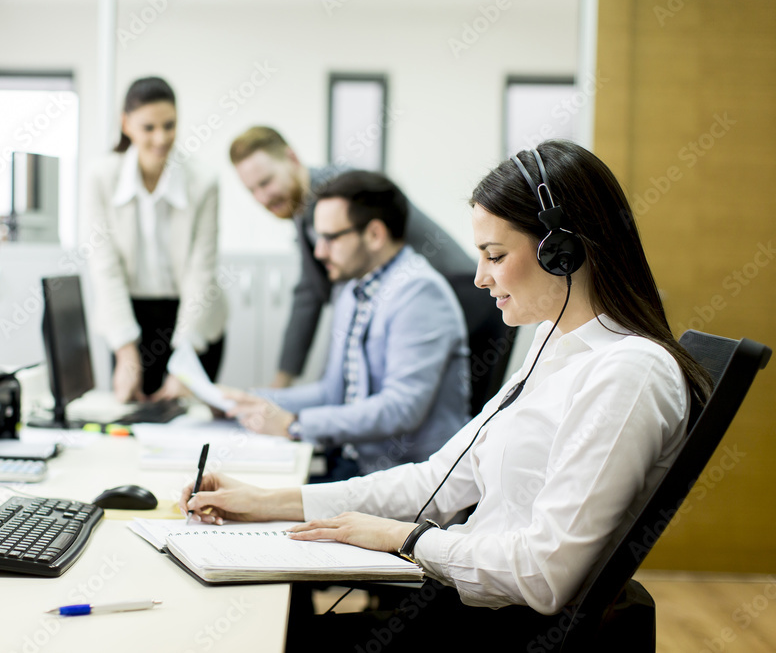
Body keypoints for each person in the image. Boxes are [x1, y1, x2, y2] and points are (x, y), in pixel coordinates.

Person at [183, 140, 713, 648]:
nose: (480, 278)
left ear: (561, 252)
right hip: (457, 604)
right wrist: (265, 503)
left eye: (495, 255)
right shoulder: (554, 348)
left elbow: (545, 576)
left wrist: (403, 539)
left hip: (499, 630)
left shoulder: (629, 373)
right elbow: (435, 481)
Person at [223, 170, 470, 480]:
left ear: (375, 235)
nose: (319, 252)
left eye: (330, 238)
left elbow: (401, 408)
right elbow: (333, 392)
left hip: (406, 479)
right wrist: (249, 401)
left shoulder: (419, 293)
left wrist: (294, 424)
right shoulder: (352, 290)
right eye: (317, 238)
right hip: (354, 465)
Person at [229, 126, 475, 388]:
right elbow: (310, 294)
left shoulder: (339, 195)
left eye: (266, 182)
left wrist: (320, 394)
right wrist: (284, 385)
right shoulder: (304, 208)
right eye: (252, 190)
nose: (262, 197)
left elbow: (339, 302)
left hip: (461, 298)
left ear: (292, 158)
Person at [81, 77, 227, 402]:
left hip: (194, 319)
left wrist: (184, 360)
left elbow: (201, 271)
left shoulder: (203, 182)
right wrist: (125, 350)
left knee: (184, 420)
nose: (161, 138)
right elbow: (105, 268)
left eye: (169, 125)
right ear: (126, 124)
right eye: (148, 127)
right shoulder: (101, 177)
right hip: (130, 318)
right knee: (133, 420)